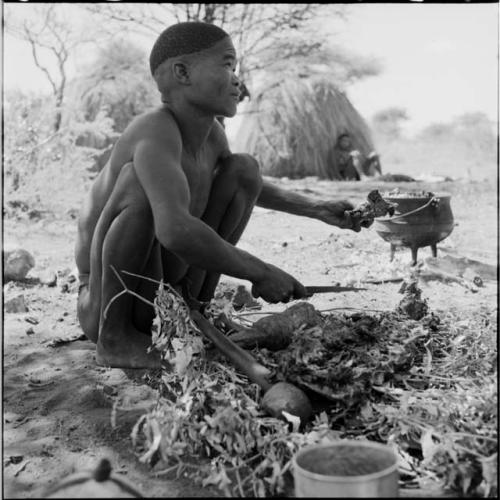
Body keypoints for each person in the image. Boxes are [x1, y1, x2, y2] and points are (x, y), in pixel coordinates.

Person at [75, 22, 370, 369]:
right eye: (227, 64)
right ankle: (118, 339)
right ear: (182, 72)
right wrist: (259, 271)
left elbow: (248, 186)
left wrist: (316, 208)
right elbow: (173, 229)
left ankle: (194, 309)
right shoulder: (153, 131)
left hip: (168, 291)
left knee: (244, 170)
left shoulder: (212, 135)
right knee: (137, 183)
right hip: (108, 299)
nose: (237, 79)